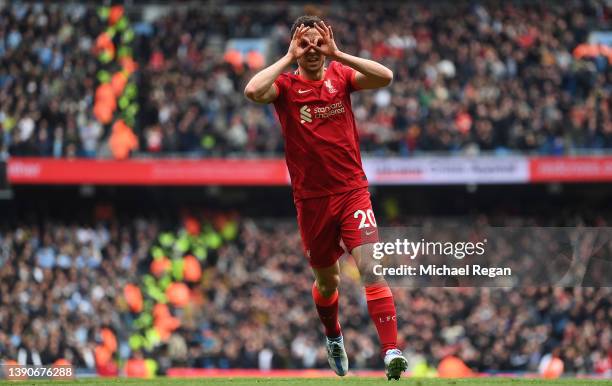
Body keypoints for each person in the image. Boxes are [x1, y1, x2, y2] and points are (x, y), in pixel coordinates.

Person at [244, 15, 407, 380]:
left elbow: (386, 77)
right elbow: (253, 92)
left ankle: (391, 351)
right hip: (312, 200)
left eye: (318, 42)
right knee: (328, 282)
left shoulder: (340, 77)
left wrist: (339, 53)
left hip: (352, 192)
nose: (313, 49)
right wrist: (288, 58)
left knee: (371, 269)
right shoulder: (284, 87)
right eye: (305, 43)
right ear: (294, 47)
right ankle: (334, 336)